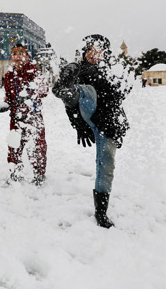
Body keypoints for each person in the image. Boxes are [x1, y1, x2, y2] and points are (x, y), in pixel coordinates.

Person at [52, 34, 132, 228]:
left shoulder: (112, 72)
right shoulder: (78, 68)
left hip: (105, 123)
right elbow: (63, 98)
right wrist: (78, 124)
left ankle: (101, 213)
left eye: (98, 51)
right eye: (90, 50)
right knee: (86, 89)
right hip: (85, 109)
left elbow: (118, 101)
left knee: (106, 165)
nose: (93, 54)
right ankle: (71, 89)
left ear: (105, 53)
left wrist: (120, 127)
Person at [0, 43, 49, 185]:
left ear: (27, 57)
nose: (18, 56)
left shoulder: (33, 72)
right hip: (16, 117)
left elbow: (44, 90)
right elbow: (8, 97)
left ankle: (39, 174)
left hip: (33, 116)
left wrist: (29, 93)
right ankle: (15, 171)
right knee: (14, 145)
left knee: (37, 146)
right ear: (11, 57)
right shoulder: (9, 75)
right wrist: (5, 105)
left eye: (21, 53)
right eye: (15, 53)